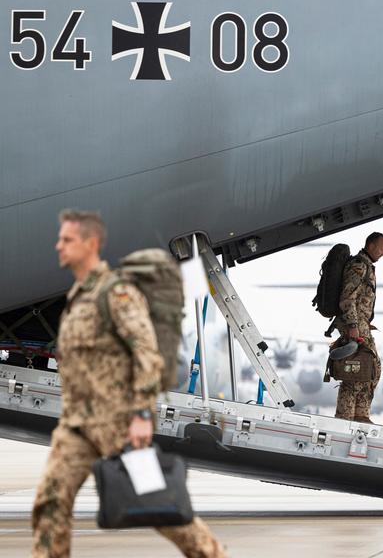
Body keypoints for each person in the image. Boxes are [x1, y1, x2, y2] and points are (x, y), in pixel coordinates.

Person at [31, 210, 228, 557]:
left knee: (163, 509)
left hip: (116, 423)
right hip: (76, 426)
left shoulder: (116, 293)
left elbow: (147, 354)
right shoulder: (78, 295)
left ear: (90, 244)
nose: (58, 246)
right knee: (50, 504)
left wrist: (140, 414)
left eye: (67, 240)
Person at [333, 232, 383, 423]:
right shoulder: (359, 266)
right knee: (357, 370)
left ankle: (360, 414)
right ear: (371, 246)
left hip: (362, 323)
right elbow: (347, 298)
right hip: (354, 323)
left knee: (369, 368)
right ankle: (346, 416)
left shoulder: (367, 266)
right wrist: (353, 325)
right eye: (381, 249)